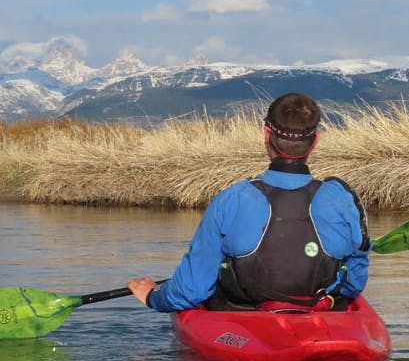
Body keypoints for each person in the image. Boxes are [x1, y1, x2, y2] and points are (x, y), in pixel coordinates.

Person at [127, 93, 371, 312]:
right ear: (315, 140)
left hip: (243, 315)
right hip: (319, 314)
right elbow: (353, 285)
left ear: (267, 134)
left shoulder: (231, 200)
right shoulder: (343, 200)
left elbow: (191, 292)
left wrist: (153, 297)